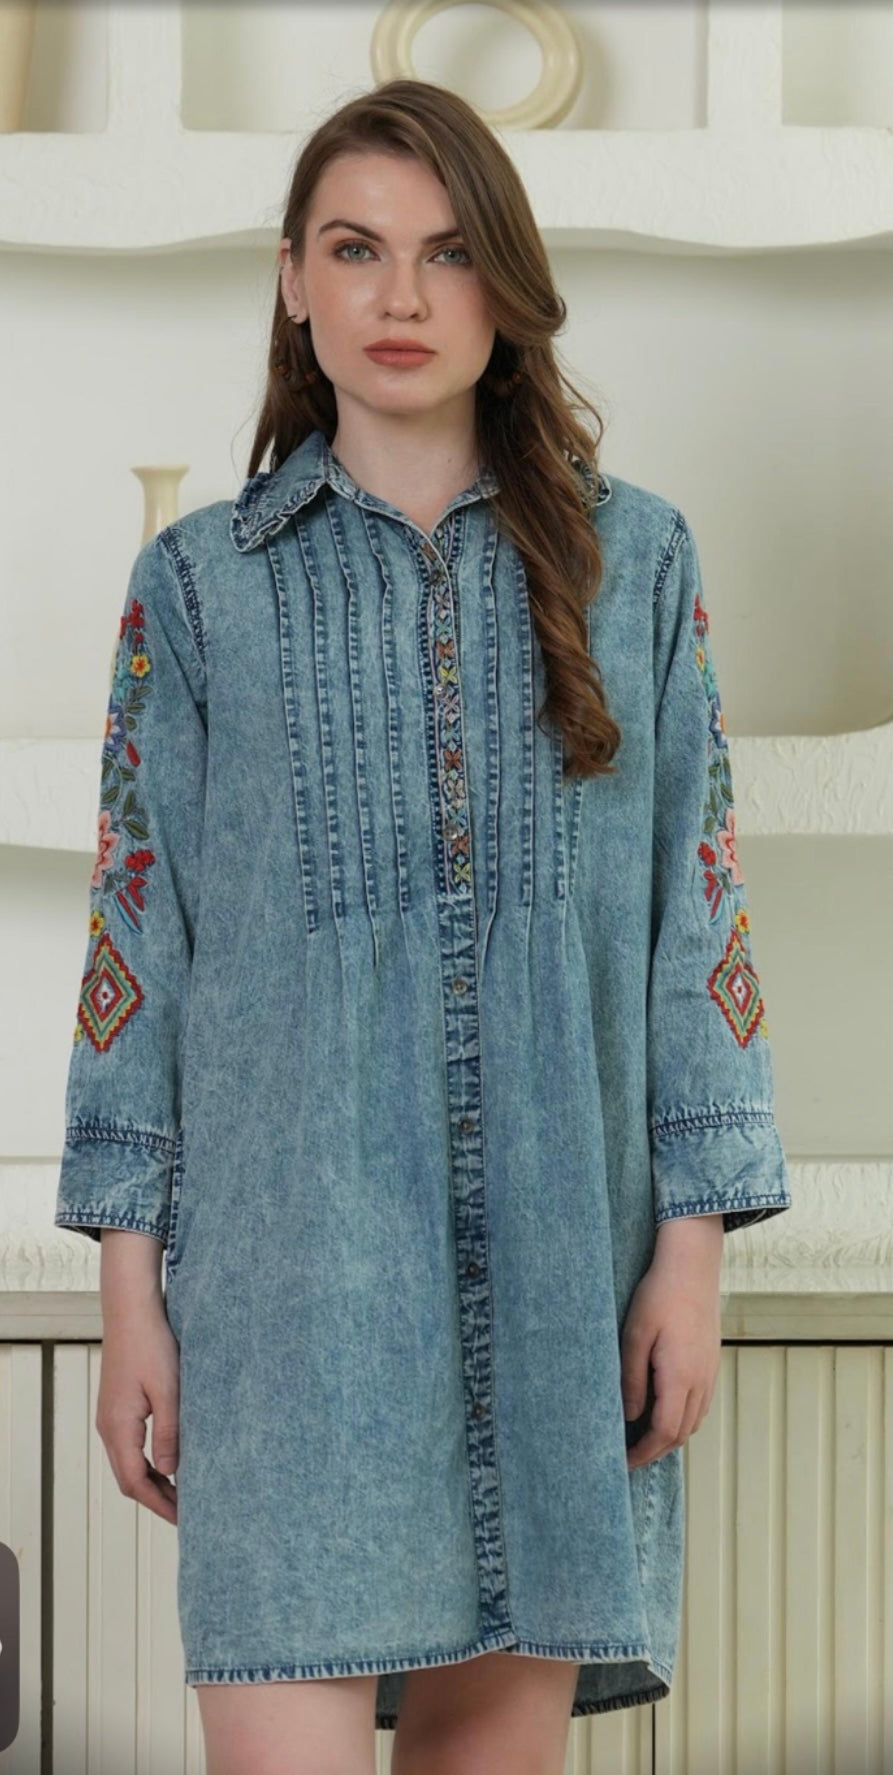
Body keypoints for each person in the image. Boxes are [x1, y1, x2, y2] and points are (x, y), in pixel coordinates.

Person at [53, 77, 792, 1775]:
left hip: (565, 1287)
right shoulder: (199, 587)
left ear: (505, 287)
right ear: (291, 282)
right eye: (354, 249)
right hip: (289, 1305)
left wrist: (690, 1258)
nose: (400, 296)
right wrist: (129, 1299)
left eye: (449, 253)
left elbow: (700, 918)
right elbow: (134, 953)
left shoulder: (635, 562)